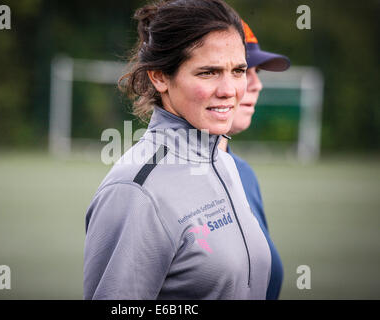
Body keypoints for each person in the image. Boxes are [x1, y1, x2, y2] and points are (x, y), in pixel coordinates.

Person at [84, 0, 271, 300]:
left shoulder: (224, 163)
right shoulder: (135, 191)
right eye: (208, 72)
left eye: (238, 70)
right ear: (159, 76)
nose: (229, 89)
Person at [218, 21, 291, 300]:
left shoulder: (243, 174)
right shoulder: (149, 183)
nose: (257, 84)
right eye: (241, 70)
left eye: (255, 71)